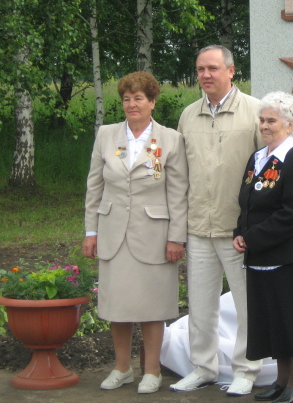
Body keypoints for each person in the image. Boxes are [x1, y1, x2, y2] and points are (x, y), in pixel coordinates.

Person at [83, 71, 188, 394]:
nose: (132, 104)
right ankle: (122, 368)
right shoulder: (106, 135)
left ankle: (152, 370)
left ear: (152, 102)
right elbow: (94, 185)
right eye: (127, 98)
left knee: (152, 307)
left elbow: (178, 191)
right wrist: (91, 231)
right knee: (119, 306)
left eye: (139, 98)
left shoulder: (170, 139)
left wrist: (176, 237)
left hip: (155, 235)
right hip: (113, 233)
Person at [171, 45, 263, 396]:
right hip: (198, 227)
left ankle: (246, 369)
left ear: (231, 70)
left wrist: (252, 227)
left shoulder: (254, 112)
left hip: (237, 231)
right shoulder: (188, 115)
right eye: (200, 69)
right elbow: (180, 174)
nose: (205, 75)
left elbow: (265, 173)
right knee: (201, 305)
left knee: (246, 305)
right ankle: (203, 367)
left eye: (212, 68)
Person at [233, 91, 293, 403]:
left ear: (289, 125)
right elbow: (247, 202)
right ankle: (281, 381)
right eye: (261, 120)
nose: (264, 125)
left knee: (292, 320)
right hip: (262, 254)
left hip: (291, 256)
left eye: (271, 120)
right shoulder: (258, 158)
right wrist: (239, 232)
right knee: (272, 320)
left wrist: (253, 238)